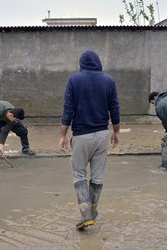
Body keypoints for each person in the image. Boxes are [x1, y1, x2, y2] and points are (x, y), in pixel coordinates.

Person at [59, 50, 120, 230]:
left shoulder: (74, 80)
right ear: (98, 63)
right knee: (98, 176)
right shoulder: (109, 80)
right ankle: (92, 212)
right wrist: (116, 131)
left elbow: (68, 109)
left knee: (79, 174)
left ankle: (86, 214)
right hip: (102, 134)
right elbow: (114, 107)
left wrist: (62, 134)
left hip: (81, 136)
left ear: (81, 64)